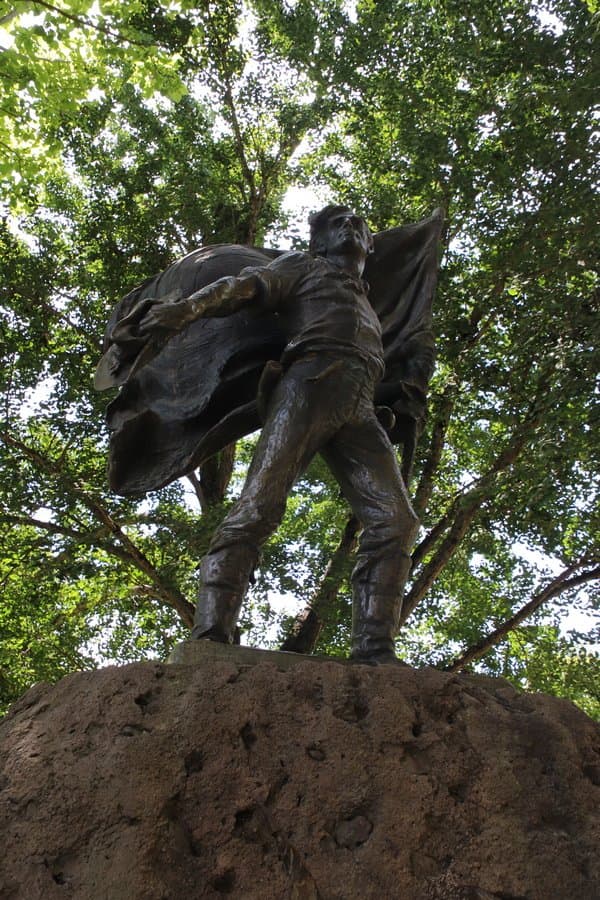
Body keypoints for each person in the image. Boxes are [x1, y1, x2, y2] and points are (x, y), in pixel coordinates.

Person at [139, 206, 420, 664]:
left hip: (361, 406)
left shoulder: (368, 299)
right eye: (335, 224)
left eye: (359, 225)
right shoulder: (302, 266)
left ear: (371, 245)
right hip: (308, 385)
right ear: (319, 243)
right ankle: (210, 635)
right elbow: (243, 286)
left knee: (396, 520)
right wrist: (187, 308)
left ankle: (374, 650)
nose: (349, 228)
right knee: (261, 503)